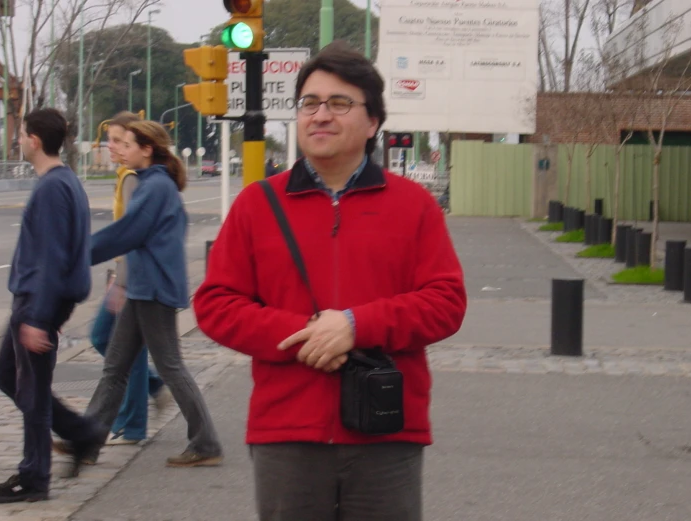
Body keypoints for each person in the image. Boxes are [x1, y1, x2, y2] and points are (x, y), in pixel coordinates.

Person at [193, 41, 467, 521]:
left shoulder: (414, 205)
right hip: (287, 432)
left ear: (373, 121)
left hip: (385, 432)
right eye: (309, 104)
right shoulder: (257, 205)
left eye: (339, 103)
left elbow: (445, 302)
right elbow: (216, 304)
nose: (320, 115)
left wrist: (355, 326)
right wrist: (305, 336)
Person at [75, 120, 222, 475]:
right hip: (145, 287)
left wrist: (77, 254)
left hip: (153, 289)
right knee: (116, 366)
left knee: (170, 367)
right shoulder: (153, 183)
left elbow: (128, 232)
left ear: (147, 149)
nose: (120, 149)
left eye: (126, 144)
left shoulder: (154, 186)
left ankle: (206, 443)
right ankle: (88, 440)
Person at [0, 108, 104, 504]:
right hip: (42, 302)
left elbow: (50, 258)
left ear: (34, 140)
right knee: (7, 375)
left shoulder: (52, 188)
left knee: (31, 392)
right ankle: (82, 433)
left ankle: (35, 478)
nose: (17, 141)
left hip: (35, 304)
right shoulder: (65, 182)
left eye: (21, 135)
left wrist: (39, 317)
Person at [57, 112, 170, 457]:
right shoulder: (126, 175)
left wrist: (119, 282)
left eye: (121, 141)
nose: (113, 147)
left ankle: (131, 423)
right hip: (128, 276)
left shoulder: (136, 179)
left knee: (119, 351)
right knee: (114, 345)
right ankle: (151, 389)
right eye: (111, 141)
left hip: (134, 279)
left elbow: (131, 236)